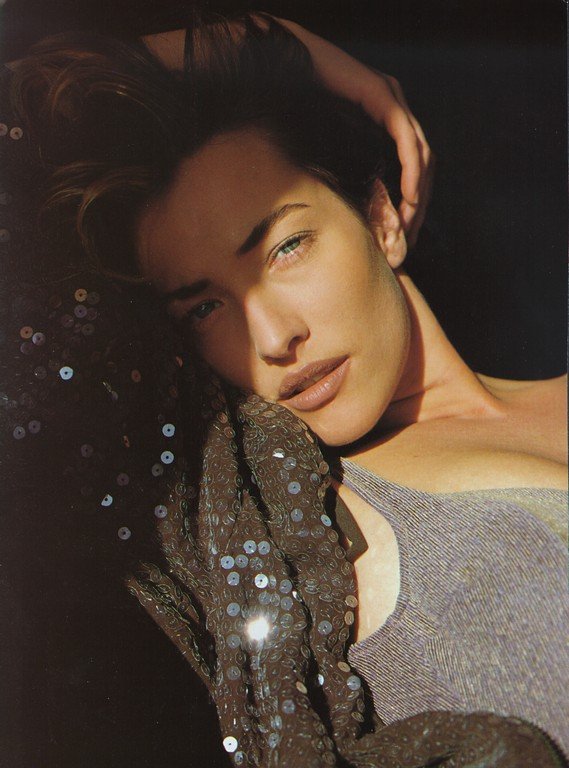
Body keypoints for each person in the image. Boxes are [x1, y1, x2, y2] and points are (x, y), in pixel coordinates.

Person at [2, 11, 567, 767]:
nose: (272, 337)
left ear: (380, 218)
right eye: (206, 308)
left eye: (284, 248)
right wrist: (288, 45)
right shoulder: (295, 524)